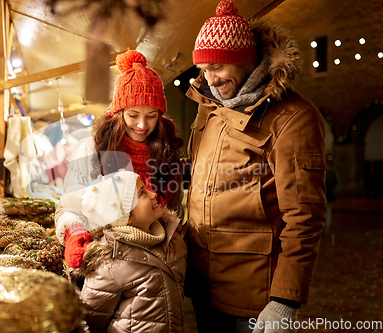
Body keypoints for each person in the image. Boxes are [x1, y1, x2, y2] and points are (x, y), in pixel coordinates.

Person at [184, 1, 327, 332]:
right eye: (203, 70)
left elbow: (304, 219)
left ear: (246, 61)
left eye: (217, 67)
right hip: (204, 284)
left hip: (253, 296)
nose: (210, 80)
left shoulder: (294, 118)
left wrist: (284, 300)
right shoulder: (212, 107)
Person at [55, 50, 184, 268]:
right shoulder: (92, 150)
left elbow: (174, 211)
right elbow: (68, 208)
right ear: (119, 112)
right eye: (133, 115)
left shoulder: (167, 154)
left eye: (151, 116)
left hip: (157, 265)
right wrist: (76, 234)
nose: (142, 125)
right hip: (106, 264)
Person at [71, 170, 187, 332]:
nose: (153, 194)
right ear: (126, 216)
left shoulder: (172, 240)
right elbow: (91, 321)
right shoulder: (109, 264)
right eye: (142, 194)